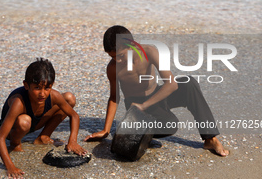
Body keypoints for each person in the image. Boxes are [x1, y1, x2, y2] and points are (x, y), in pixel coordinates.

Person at [84, 25, 229, 157]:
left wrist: (145, 104)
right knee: (170, 124)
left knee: (189, 84)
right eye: (112, 57)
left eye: (121, 55)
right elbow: (114, 98)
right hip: (137, 108)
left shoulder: (149, 52)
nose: (118, 60)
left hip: (156, 96)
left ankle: (210, 139)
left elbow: (171, 84)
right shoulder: (113, 68)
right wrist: (106, 130)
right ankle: (140, 132)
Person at [0, 58, 87, 179]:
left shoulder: (52, 95)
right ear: (26, 85)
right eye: (37, 88)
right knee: (24, 121)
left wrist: (73, 141)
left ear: (52, 85)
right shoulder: (19, 102)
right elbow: (0, 138)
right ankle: (15, 143)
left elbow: (74, 115)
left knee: (69, 98)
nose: (42, 94)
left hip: (36, 122)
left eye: (47, 88)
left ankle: (43, 137)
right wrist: (10, 166)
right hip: (15, 129)